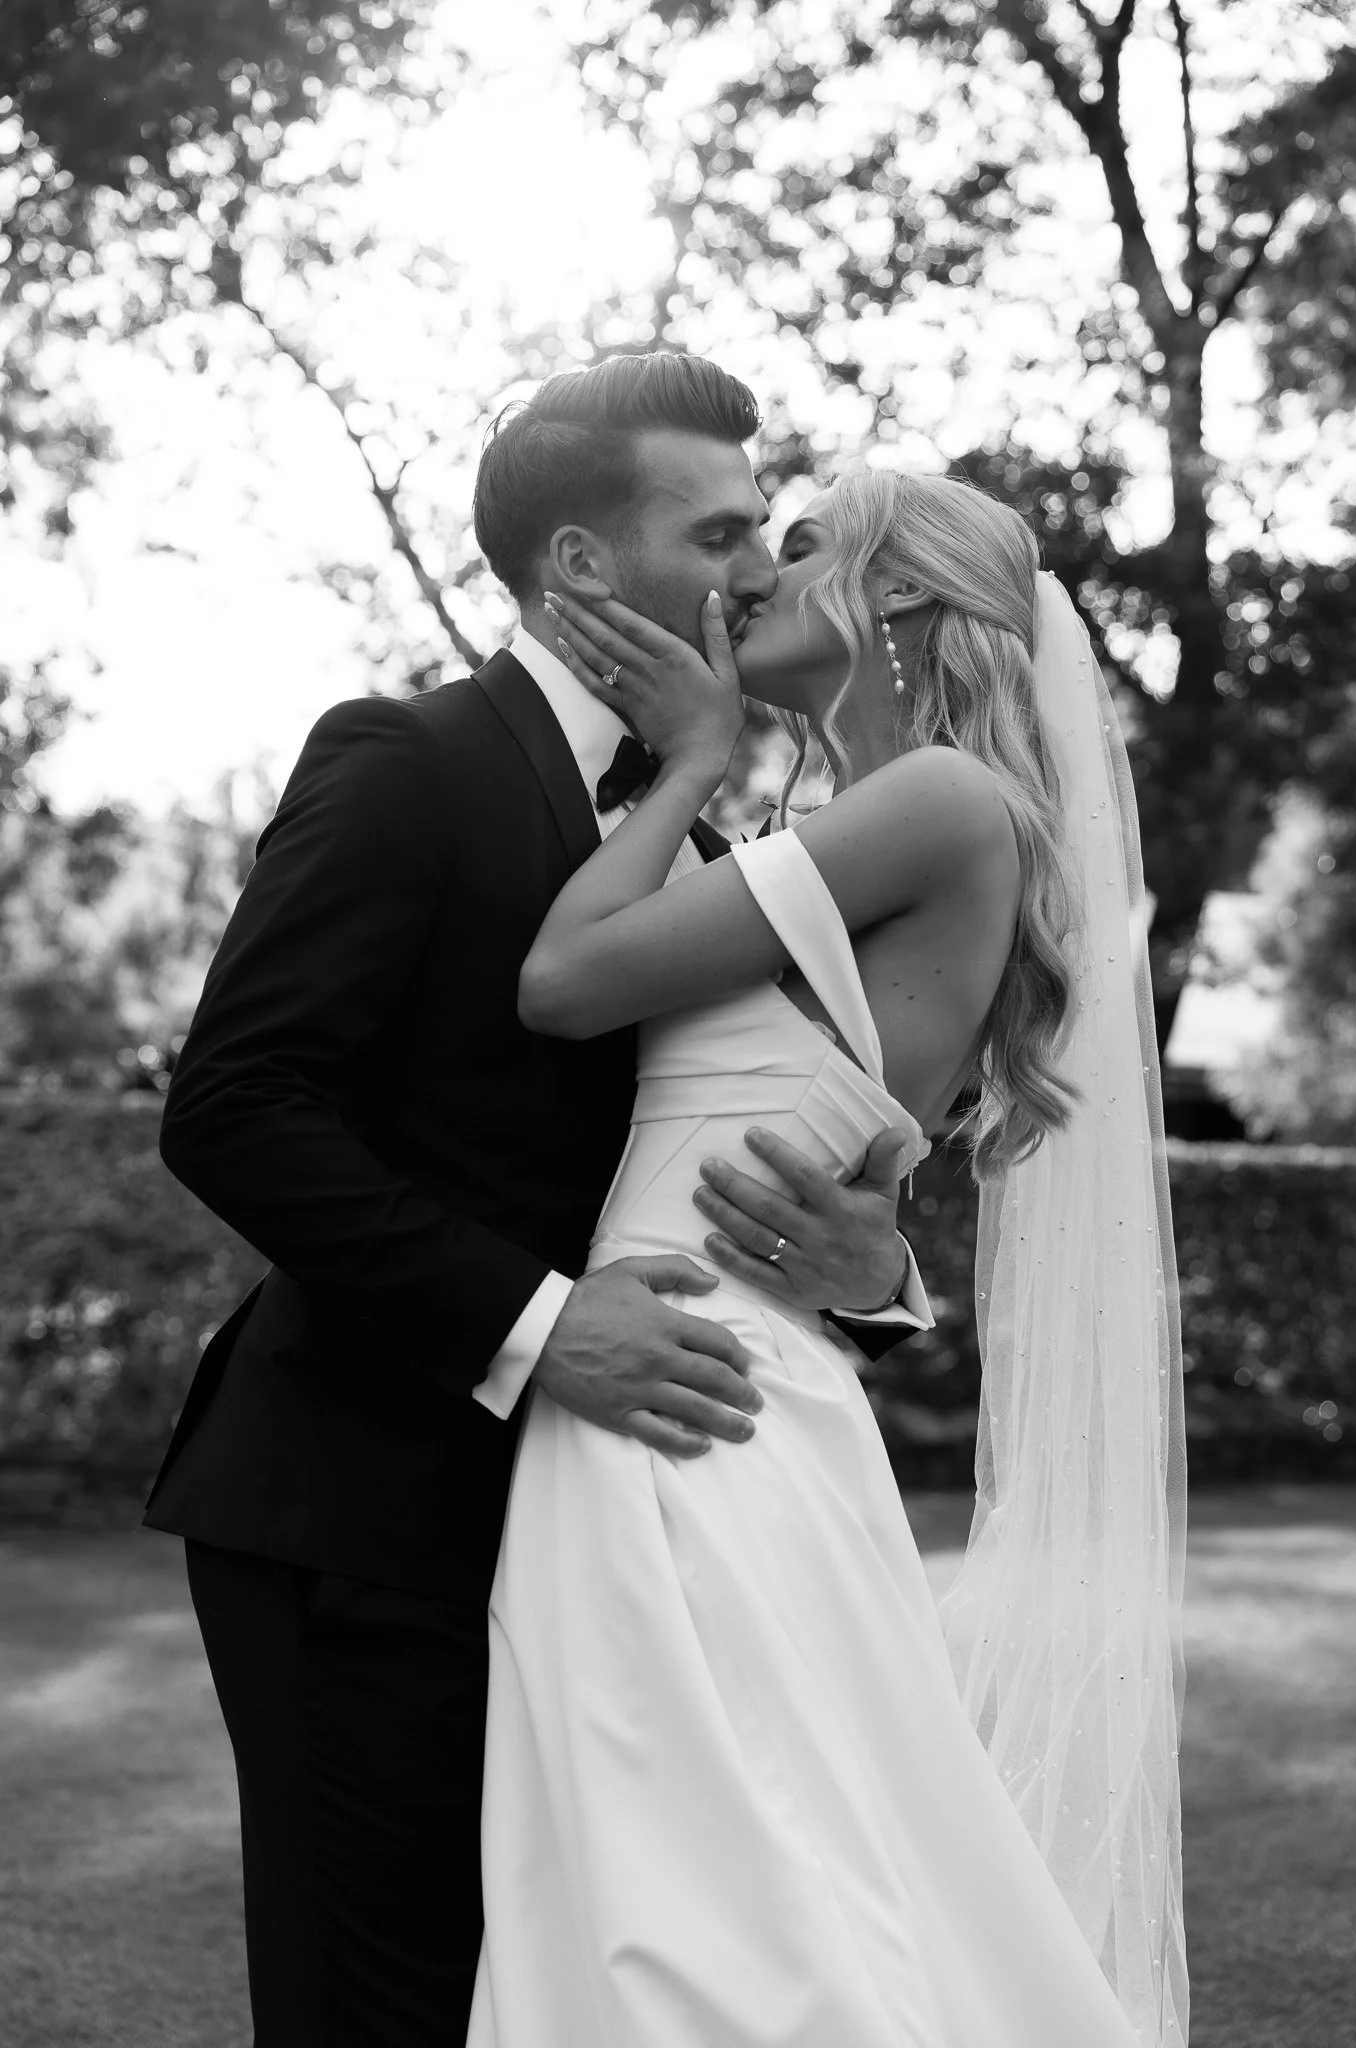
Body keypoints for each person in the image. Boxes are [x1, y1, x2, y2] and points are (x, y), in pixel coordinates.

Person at [143, 352, 929, 2045]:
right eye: (717, 529)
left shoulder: (698, 833)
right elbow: (236, 1108)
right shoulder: (405, 761)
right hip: (365, 1512)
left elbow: (737, 1140)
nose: (754, 570)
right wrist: (543, 1324)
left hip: (615, 1545)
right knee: (392, 2010)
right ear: (581, 565)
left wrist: (870, 1275)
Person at [469, 468, 1187, 2046]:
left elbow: (567, 980)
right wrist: (880, 1266)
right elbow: (841, 1152)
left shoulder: (935, 803)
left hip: (685, 1403)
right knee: (725, 1888)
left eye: (798, 549)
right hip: (712, 1379)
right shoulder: (857, 825)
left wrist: (694, 751)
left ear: (906, 603)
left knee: (718, 1917)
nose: (754, 577)